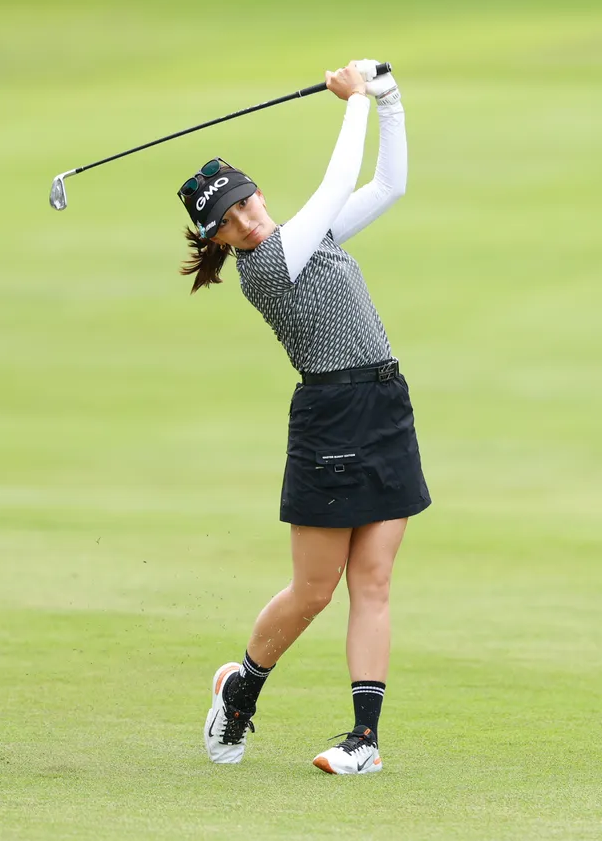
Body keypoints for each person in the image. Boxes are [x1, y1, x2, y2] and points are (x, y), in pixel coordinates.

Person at [180, 60, 427, 775]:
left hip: (384, 404)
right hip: (330, 419)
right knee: (315, 590)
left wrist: (388, 99)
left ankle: (364, 740)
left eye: (244, 203)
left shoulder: (304, 236)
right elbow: (337, 183)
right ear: (217, 240)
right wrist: (352, 101)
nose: (244, 220)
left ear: (256, 192)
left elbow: (388, 186)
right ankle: (240, 691)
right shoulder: (267, 265)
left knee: (373, 580)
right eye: (228, 222)